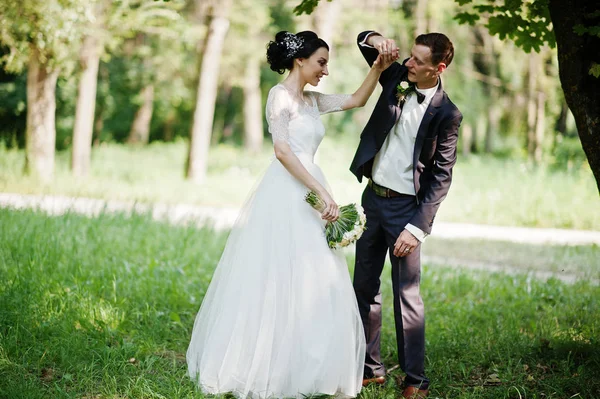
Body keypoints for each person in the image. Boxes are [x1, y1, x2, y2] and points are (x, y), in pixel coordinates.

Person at [186, 30, 395, 399]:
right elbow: (282, 151)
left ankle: (310, 363)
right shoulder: (279, 97)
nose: (325, 70)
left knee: (316, 274)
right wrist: (320, 191)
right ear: (300, 60)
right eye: (321, 62)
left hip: (314, 190)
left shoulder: (312, 101)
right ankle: (268, 362)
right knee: (279, 272)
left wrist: (378, 68)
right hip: (288, 192)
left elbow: (357, 100)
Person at [350, 30, 463, 399]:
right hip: (372, 201)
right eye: (409, 57)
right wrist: (374, 37)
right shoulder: (397, 76)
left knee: (406, 295)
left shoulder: (447, 114)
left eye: (418, 61)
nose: (409, 64)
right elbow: (362, 42)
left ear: (439, 68)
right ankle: (372, 370)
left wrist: (416, 228)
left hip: (406, 210)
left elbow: (441, 177)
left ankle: (416, 381)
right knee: (363, 288)